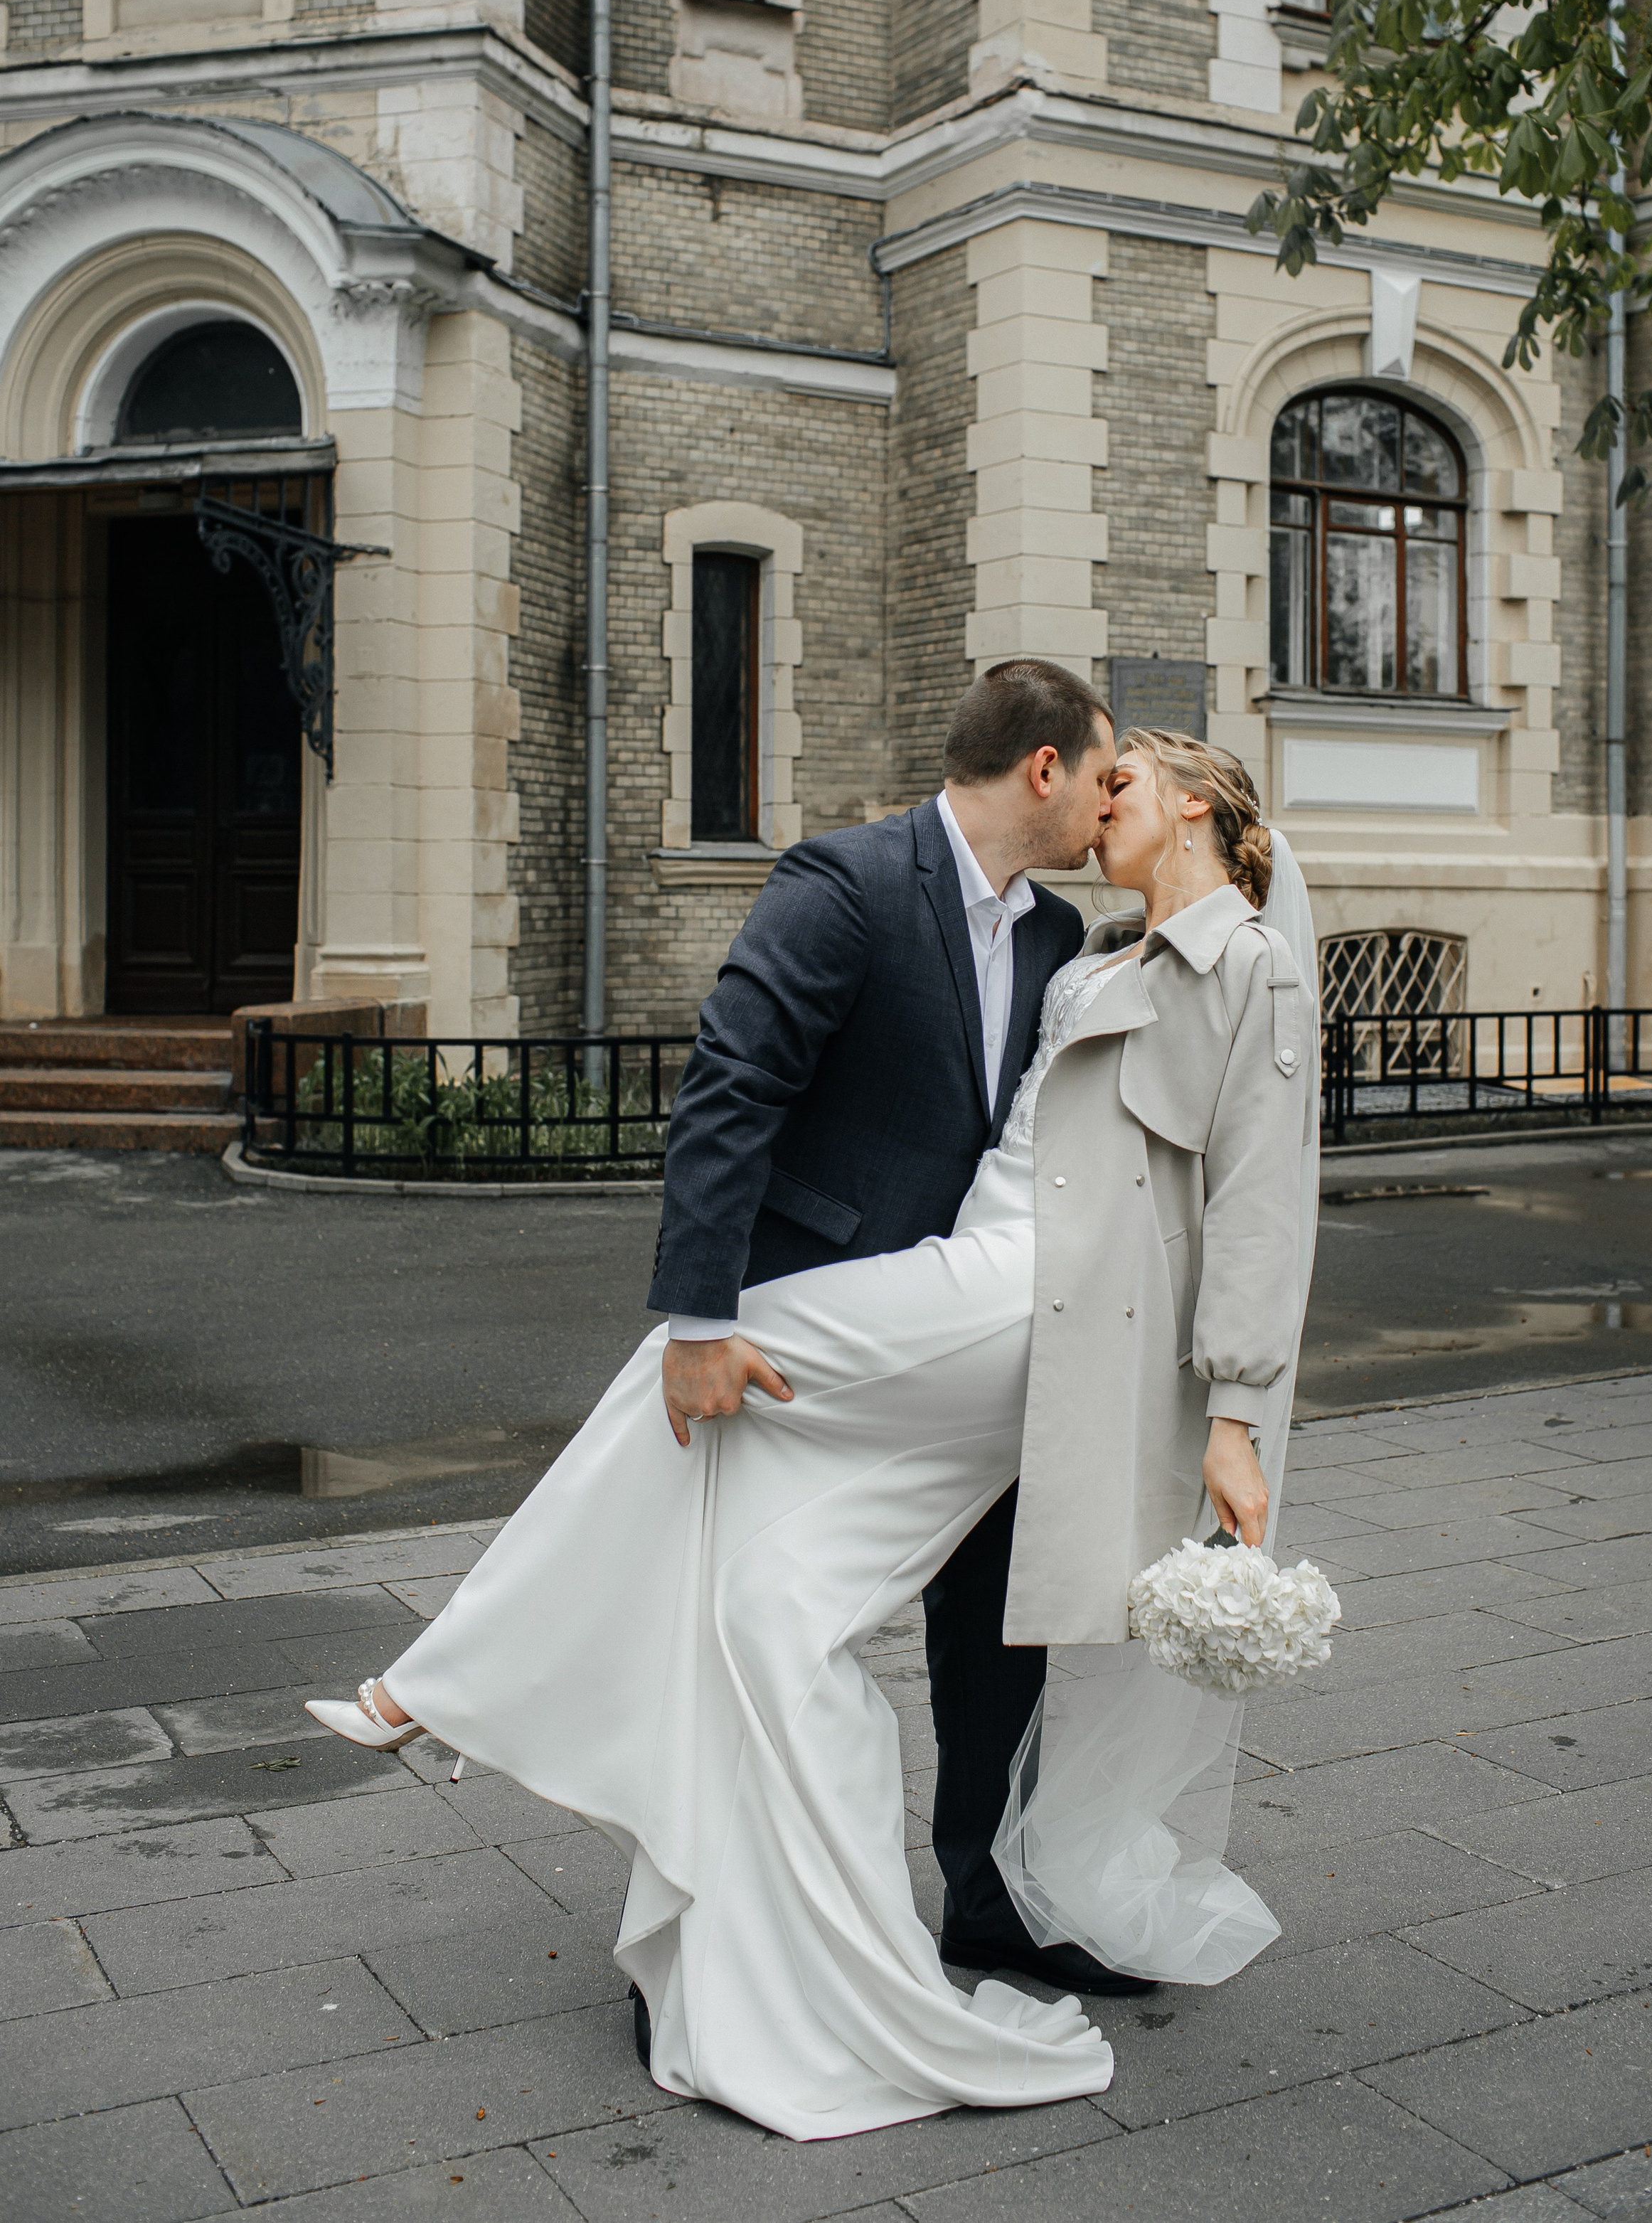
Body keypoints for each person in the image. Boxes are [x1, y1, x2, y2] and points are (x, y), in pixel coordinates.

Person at [305, 690, 1318, 2142]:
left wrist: (1235, 1416)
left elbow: (1261, 1208)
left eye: (1133, 780)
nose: (1107, 798)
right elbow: (751, 1083)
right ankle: (781, 1958)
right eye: (1102, 772)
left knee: (710, 1360)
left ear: (1203, 814)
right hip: (956, 1289)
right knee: (771, 1610)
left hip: (1030, 1302)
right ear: (1045, 768)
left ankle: (446, 1679)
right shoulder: (1059, 936)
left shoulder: (1246, 967)